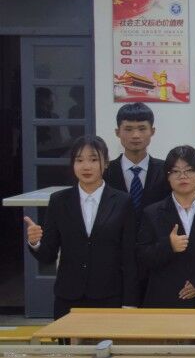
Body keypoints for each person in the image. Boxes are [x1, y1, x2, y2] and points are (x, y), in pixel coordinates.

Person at [24, 135, 137, 318]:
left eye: (93, 159)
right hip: (68, 296)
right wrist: (35, 242)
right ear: (73, 164)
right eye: (79, 160)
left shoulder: (123, 201)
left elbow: (129, 256)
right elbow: (48, 254)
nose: (86, 166)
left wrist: (130, 302)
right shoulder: (59, 201)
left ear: (105, 163)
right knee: (67, 338)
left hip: (109, 295)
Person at [137, 145, 195, 307]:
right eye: (175, 171)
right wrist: (169, 246)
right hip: (165, 300)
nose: (183, 176)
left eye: (189, 170)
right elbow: (142, 257)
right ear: (167, 177)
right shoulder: (152, 212)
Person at [103, 103, 169, 211]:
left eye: (142, 129)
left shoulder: (166, 170)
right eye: (128, 129)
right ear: (117, 132)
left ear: (152, 131)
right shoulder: (105, 171)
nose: (135, 135)